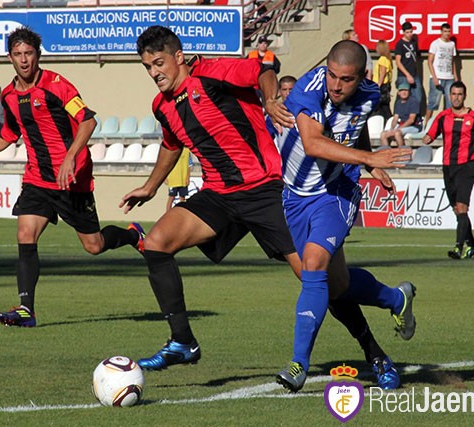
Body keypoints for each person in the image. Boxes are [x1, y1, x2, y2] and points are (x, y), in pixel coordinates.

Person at [122, 27, 411, 391]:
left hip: (267, 188)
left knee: (323, 281)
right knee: (157, 243)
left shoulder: (211, 73)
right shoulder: (162, 106)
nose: (154, 72)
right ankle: (183, 341)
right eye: (147, 66)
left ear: (178, 56)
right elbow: (171, 144)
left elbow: (263, 67)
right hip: (220, 194)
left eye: (159, 63)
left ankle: (377, 355)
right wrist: (150, 187)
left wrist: (271, 99)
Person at [0, 27, 142, 327]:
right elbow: (9, 134)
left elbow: (88, 120)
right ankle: (26, 310)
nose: (24, 60)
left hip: (71, 178)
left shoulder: (57, 85)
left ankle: (133, 234)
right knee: (25, 234)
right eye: (18, 55)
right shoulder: (8, 96)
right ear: (10, 57)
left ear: (38, 55)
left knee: (94, 245)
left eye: (29, 54)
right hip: (37, 178)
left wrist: (71, 156)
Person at [273, 40, 416, 393]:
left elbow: (355, 127)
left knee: (313, 263)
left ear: (362, 77)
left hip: (336, 193)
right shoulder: (308, 90)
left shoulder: (369, 93)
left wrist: (367, 162)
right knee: (337, 287)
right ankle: (396, 299)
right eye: (332, 76)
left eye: (346, 79)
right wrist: (370, 159)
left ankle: (297, 364)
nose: (336, 86)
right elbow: (313, 143)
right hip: (293, 197)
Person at [422, 81, 474, 259]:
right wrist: (426, 138)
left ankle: (458, 247)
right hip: (448, 167)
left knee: (462, 207)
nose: (456, 98)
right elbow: (430, 135)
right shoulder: (443, 117)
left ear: (465, 96)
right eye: (453, 94)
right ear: (449, 96)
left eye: (459, 94)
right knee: (457, 209)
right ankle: (472, 245)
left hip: (466, 167)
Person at [424, 23, 457, 128]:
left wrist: (455, 75)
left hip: (449, 77)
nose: (447, 34)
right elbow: (429, 61)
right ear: (441, 32)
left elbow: (452, 61)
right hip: (438, 76)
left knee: (449, 103)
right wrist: (434, 77)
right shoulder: (435, 43)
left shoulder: (451, 44)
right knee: (433, 102)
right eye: (445, 31)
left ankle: (447, 125)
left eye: (448, 31)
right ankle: (426, 125)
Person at [380, 82, 422, 147]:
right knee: (383, 134)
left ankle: (401, 153)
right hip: (401, 126)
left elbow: (411, 120)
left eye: (406, 90)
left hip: (414, 126)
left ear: (409, 92)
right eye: (401, 90)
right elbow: (395, 118)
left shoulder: (414, 101)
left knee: (397, 133)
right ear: (398, 93)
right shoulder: (398, 102)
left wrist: (398, 129)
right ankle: (386, 153)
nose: (404, 92)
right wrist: (392, 129)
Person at [395, 21, 423, 106]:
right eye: (407, 32)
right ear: (403, 32)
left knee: (418, 96)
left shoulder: (414, 42)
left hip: (414, 74)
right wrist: (407, 75)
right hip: (403, 75)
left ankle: (416, 117)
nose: (409, 34)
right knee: (403, 98)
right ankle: (401, 116)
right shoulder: (400, 44)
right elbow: (398, 62)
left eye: (411, 32)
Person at [372, 39, 393, 121]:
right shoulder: (388, 59)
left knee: (381, 106)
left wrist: (378, 85)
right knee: (384, 106)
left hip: (381, 86)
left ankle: (387, 120)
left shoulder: (382, 59)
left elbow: (382, 73)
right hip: (386, 85)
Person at [165, 147, 191, 211]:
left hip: (183, 178)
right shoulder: (171, 150)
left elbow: (189, 165)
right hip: (173, 179)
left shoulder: (187, 151)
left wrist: (188, 177)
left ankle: (181, 213)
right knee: (171, 197)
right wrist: (165, 177)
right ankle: (167, 214)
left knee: (182, 197)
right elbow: (165, 164)